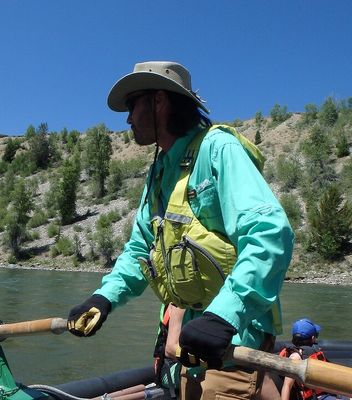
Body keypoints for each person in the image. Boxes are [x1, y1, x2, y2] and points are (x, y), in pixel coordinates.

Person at [67, 60, 294, 399]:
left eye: (132, 105)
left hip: (231, 342)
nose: (128, 119)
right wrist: (105, 297)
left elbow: (269, 232)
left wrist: (224, 315)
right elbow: (140, 249)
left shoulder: (218, 148)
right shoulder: (158, 172)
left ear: (158, 101)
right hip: (189, 346)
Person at [280, 318, 352, 400]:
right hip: (316, 397)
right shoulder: (295, 358)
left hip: (326, 393)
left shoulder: (313, 351)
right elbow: (287, 386)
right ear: (313, 338)